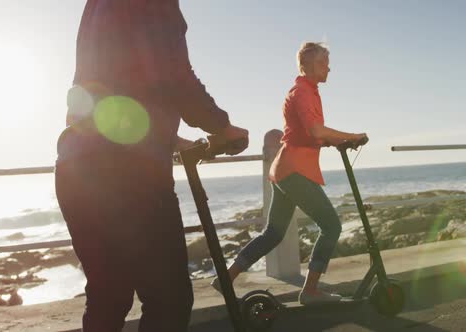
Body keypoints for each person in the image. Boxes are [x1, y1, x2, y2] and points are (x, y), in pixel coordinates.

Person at [54, 1, 248, 331]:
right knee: (168, 299)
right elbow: (174, 75)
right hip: (131, 176)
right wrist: (223, 127)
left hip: (76, 167)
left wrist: (171, 140)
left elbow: (104, 93)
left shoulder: (97, 7)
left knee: (108, 295)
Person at [212, 42, 367, 305]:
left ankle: (226, 277)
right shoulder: (303, 92)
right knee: (331, 226)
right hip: (295, 171)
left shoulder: (309, 91)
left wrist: (338, 141)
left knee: (273, 233)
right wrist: (352, 136)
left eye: (327, 63)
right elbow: (317, 131)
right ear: (305, 66)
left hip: (285, 170)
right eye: (322, 63)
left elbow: (311, 134)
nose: (328, 67)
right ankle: (311, 291)